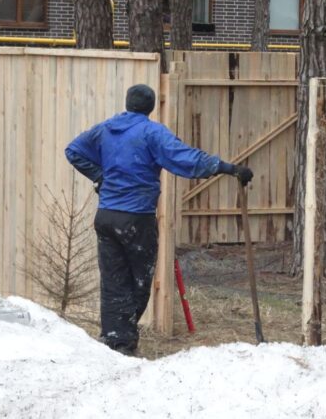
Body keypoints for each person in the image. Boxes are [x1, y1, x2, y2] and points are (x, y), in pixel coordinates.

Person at [65, 84, 253, 355]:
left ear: (128, 102)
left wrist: (99, 176)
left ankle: (113, 339)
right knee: (139, 282)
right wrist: (228, 168)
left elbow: (73, 150)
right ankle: (123, 342)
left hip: (106, 217)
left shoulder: (105, 129)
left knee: (113, 281)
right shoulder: (151, 132)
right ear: (151, 107)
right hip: (136, 218)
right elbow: (187, 159)